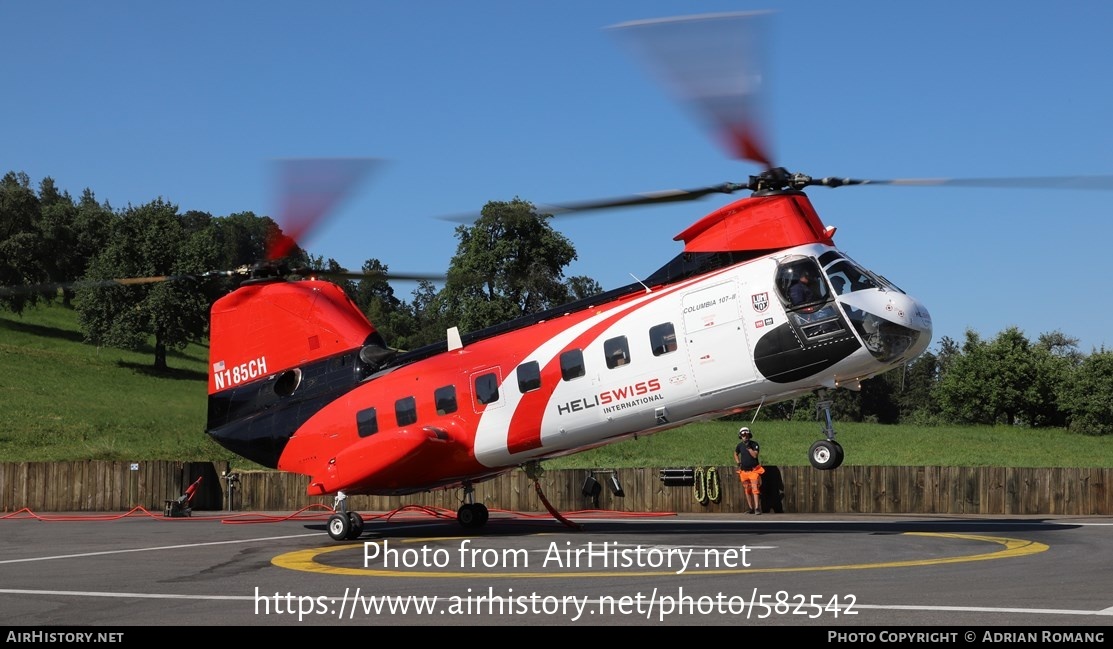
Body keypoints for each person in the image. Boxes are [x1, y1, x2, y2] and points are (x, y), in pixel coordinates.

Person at [734, 426, 763, 514]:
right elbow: (735, 453)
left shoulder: (754, 444)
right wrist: (738, 462)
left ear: (749, 435)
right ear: (740, 436)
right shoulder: (739, 445)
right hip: (744, 472)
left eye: (746, 435)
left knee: (755, 489)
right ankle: (751, 508)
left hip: (754, 470)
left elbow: (755, 455)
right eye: (743, 435)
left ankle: (757, 508)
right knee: (747, 490)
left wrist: (749, 448)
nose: (745, 436)